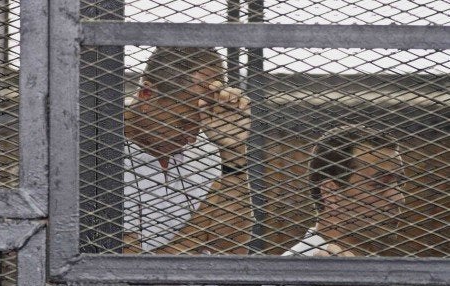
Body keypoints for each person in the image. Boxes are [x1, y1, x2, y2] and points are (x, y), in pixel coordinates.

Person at [123, 47, 303, 254]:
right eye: (183, 123)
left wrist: (233, 152)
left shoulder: (206, 147)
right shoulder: (98, 149)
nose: (192, 138)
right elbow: (136, 271)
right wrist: (206, 218)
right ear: (147, 94)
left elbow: (232, 251)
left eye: (200, 123)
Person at [283, 125, 406, 257]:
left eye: (400, 183)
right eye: (380, 184)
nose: (399, 198)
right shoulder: (288, 272)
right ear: (331, 194)